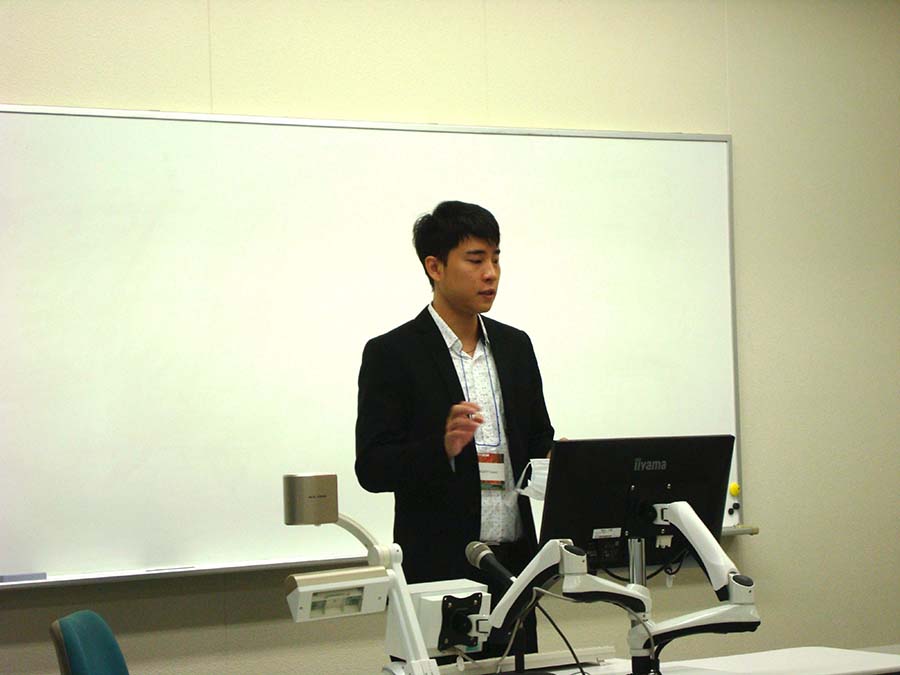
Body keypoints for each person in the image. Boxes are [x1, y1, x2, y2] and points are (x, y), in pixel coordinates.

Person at [355, 200, 555, 658]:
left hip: (514, 568)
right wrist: (440, 448)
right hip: (438, 569)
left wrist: (563, 461)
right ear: (435, 267)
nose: (491, 274)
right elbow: (372, 467)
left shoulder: (516, 346)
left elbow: (538, 440)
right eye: (476, 260)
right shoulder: (393, 353)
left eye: (496, 259)